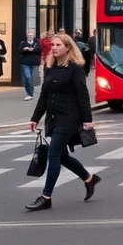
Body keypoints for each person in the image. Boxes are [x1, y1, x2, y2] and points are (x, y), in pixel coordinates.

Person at [26, 34, 101, 211]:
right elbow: (44, 95)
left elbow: (83, 95)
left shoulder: (75, 69)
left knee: (53, 154)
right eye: (53, 45)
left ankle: (46, 197)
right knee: (62, 156)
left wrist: (87, 120)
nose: (54, 47)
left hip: (69, 117)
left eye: (58, 45)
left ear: (68, 47)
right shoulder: (49, 68)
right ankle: (89, 178)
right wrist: (35, 118)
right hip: (54, 118)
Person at [18, 30, 41, 100]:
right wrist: (24, 49)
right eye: (29, 35)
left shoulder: (37, 43)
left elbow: (39, 50)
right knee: (27, 77)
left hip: (34, 63)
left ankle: (31, 90)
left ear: (33, 35)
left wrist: (33, 50)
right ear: (26, 35)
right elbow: (19, 50)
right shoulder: (23, 43)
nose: (30, 36)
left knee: (32, 78)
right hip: (25, 62)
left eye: (31, 35)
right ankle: (29, 93)